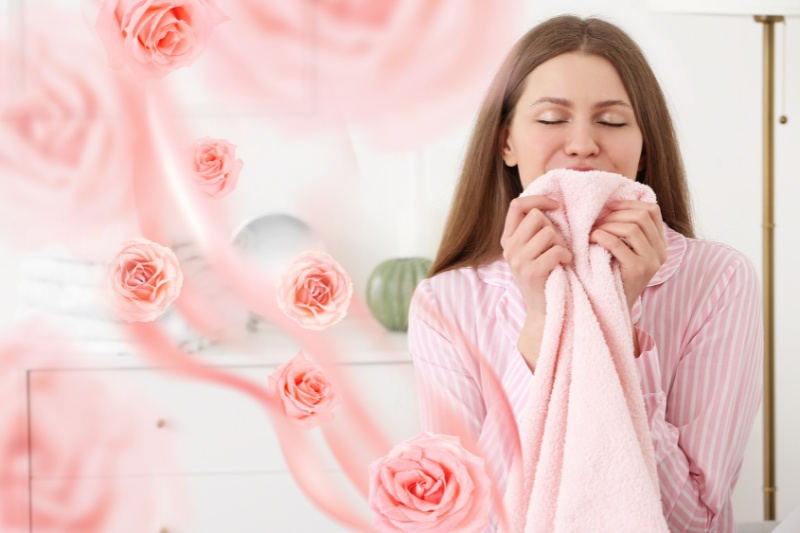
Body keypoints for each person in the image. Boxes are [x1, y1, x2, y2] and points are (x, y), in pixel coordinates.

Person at [408, 14, 762, 532]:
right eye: (552, 118)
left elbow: (700, 520)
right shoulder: (444, 304)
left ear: (644, 149)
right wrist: (541, 325)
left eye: (613, 122)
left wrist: (615, 317)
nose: (581, 145)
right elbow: (466, 522)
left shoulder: (718, 280)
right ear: (506, 142)